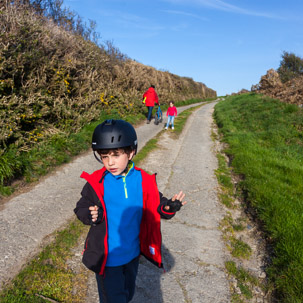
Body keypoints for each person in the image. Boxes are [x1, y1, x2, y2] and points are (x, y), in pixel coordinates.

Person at [74, 119, 186, 303]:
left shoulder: (142, 179)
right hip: (108, 260)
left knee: (128, 293)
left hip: (132, 255)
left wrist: (168, 207)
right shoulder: (96, 182)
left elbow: (157, 203)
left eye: (116, 155)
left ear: (131, 152)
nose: (110, 162)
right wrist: (89, 213)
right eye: (104, 156)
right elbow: (81, 206)